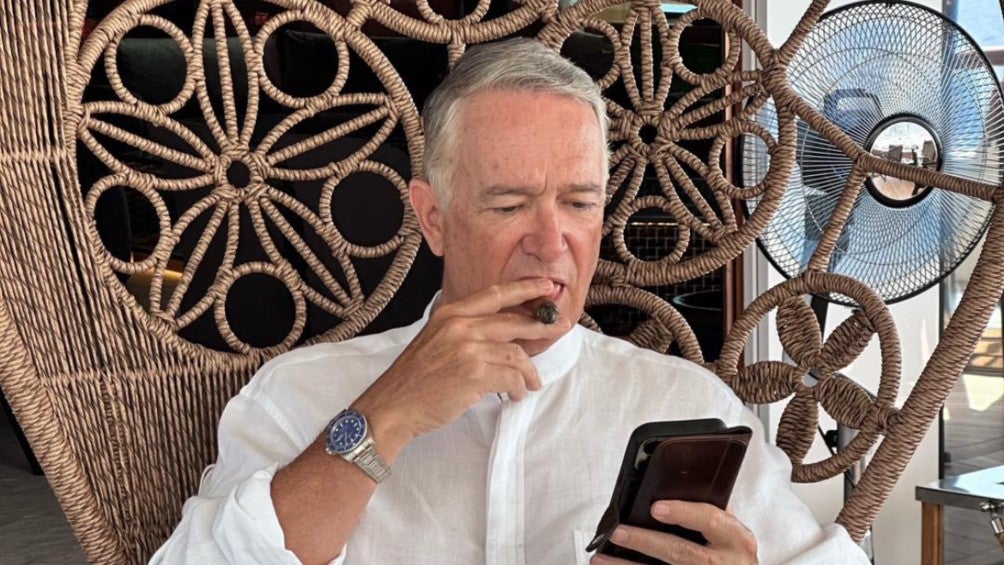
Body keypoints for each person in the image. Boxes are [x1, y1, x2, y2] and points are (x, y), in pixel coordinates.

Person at [153, 38, 869, 564]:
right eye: (508, 204)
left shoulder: (688, 407)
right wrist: (384, 415)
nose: (551, 243)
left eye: (579, 203)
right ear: (434, 218)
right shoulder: (299, 396)